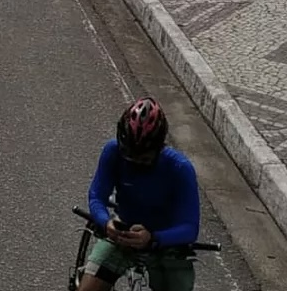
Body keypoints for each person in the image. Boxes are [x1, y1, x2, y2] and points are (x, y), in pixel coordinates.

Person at [78, 98, 200, 291]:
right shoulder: (112, 151)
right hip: (122, 235)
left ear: (159, 147)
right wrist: (106, 222)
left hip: (164, 243)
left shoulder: (180, 168)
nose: (135, 162)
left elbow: (190, 228)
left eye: (143, 158)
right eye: (129, 155)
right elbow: (96, 196)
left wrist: (152, 238)